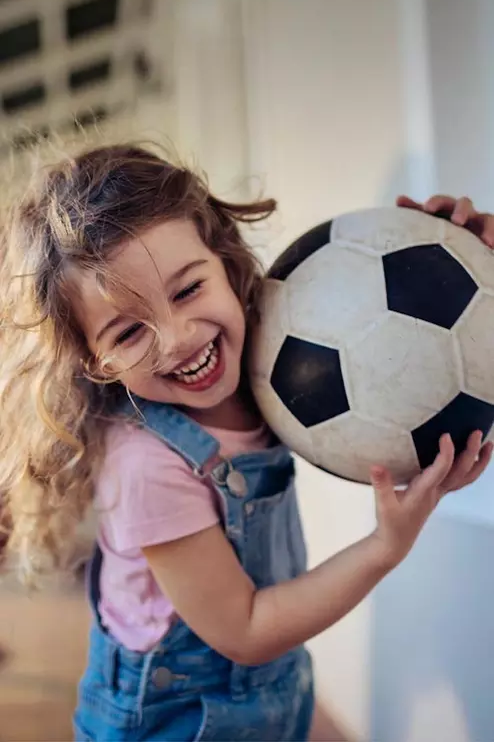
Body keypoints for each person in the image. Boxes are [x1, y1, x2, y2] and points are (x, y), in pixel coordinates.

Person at [0, 145, 492, 742]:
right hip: (171, 725)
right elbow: (247, 630)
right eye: (129, 332)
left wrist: (461, 259)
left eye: (187, 290)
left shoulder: (271, 354)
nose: (178, 340)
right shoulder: (146, 467)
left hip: (270, 698)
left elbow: (393, 350)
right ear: (92, 362)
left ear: (225, 260)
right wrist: (385, 547)